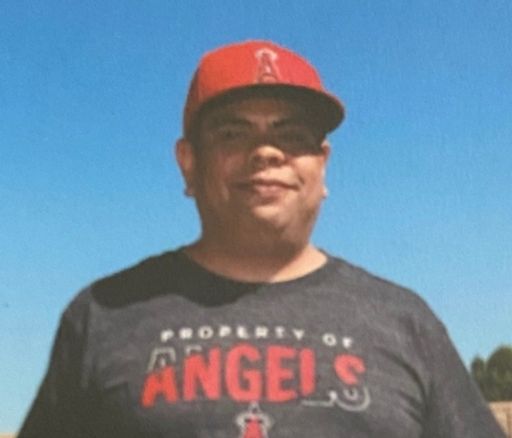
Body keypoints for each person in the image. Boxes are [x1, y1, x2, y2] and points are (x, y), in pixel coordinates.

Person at [19, 40, 504, 438]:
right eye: (233, 134)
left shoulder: (405, 322)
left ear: (322, 165)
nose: (267, 151)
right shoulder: (104, 315)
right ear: (189, 163)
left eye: (292, 135)